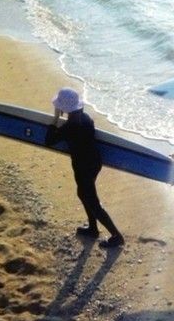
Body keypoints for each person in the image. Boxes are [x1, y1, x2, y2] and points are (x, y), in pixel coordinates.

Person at [45, 87, 124, 248]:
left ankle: (117, 236)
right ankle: (93, 228)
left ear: (64, 108)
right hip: (93, 162)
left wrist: (54, 118)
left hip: (83, 165)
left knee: (91, 200)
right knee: (83, 194)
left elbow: (49, 141)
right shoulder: (85, 118)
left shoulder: (70, 127)